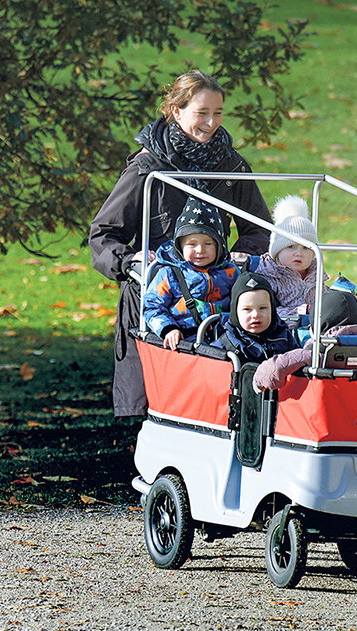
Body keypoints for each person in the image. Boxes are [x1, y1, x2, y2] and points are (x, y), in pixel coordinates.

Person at [89, 70, 270, 421]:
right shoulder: (147, 168)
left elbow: (260, 229)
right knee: (154, 410)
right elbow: (103, 233)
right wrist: (129, 261)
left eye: (218, 113)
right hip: (157, 301)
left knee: (213, 407)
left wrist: (240, 255)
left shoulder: (231, 165)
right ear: (176, 111)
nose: (211, 122)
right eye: (202, 112)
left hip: (218, 301)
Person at [143, 199, 244, 349]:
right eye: (191, 244)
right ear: (180, 246)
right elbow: (151, 305)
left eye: (208, 244)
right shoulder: (170, 274)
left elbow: (244, 302)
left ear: (219, 246)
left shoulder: (231, 272)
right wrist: (168, 329)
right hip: (184, 339)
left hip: (224, 336)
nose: (200, 250)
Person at [252, 287, 357, 391]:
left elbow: (277, 367)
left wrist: (258, 381)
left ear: (314, 328)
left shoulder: (316, 354)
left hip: (326, 413)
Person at [250, 195, 321, 316]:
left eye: (305, 247)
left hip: (317, 328)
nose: (299, 253)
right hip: (282, 330)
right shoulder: (269, 277)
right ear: (277, 251)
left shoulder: (316, 274)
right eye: (291, 247)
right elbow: (266, 312)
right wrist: (303, 311)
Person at [210, 272, 298, 363]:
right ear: (235, 312)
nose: (255, 315)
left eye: (262, 308)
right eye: (247, 309)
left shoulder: (284, 337)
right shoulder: (226, 344)